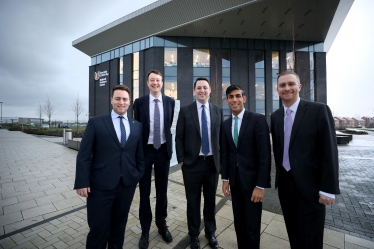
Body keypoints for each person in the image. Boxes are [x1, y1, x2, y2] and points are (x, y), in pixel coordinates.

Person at [271, 71, 340, 248]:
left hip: (312, 188)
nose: (287, 88)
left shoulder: (318, 110)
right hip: (285, 186)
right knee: (294, 235)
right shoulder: (276, 116)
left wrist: (328, 188)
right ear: (277, 89)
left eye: (291, 84)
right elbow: (279, 150)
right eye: (282, 85)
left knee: (311, 239)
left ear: (299, 87)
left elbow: (329, 151)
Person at [74, 85, 145, 249]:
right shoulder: (96, 122)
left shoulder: (137, 126)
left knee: (118, 229)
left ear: (129, 102)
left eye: (125, 99)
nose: (121, 102)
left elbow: (140, 155)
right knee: (98, 230)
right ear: (111, 100)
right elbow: (84, 155)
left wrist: (137, 175)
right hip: (100, 186)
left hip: (126, 186)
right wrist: (82, 181)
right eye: (118, 98)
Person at [221, 85, 271, 249]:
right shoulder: (226, 124)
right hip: (235, 183)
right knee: (239, 223)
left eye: (237, 96)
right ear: (227, 100)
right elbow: (226, 154)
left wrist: (260, 185)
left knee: (252, 226)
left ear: (244, 98)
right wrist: (225, 178)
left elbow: (265, 155)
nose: (234, 99)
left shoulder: (257, 120)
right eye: (230, 97)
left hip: (253, 184)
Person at [175, 77, 222, 249]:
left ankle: (211, 233)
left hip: (211, 165)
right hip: (191, 165)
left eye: (205, 87)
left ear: (210, 90)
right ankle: (193, 235)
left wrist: (221, 162)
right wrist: (181, 160)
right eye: (199, 88)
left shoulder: (218, 110)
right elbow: (179, 137)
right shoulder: (186, 111)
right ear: (194, 91)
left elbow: (221, 138)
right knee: (192, 201)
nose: (202, 90)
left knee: (210, 201)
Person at [133, 70, 175, 248]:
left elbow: (169, 124)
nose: (155, 83)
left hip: (163, 151)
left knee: (162, 191)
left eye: (158, 80)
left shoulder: (170, 102)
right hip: (145, 152)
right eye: (152, 80)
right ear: (147, 82)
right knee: (144, 192)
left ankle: (161, 225)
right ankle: (145, 230)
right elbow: (137, 127)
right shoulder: (139, 102)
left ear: (162, 82)